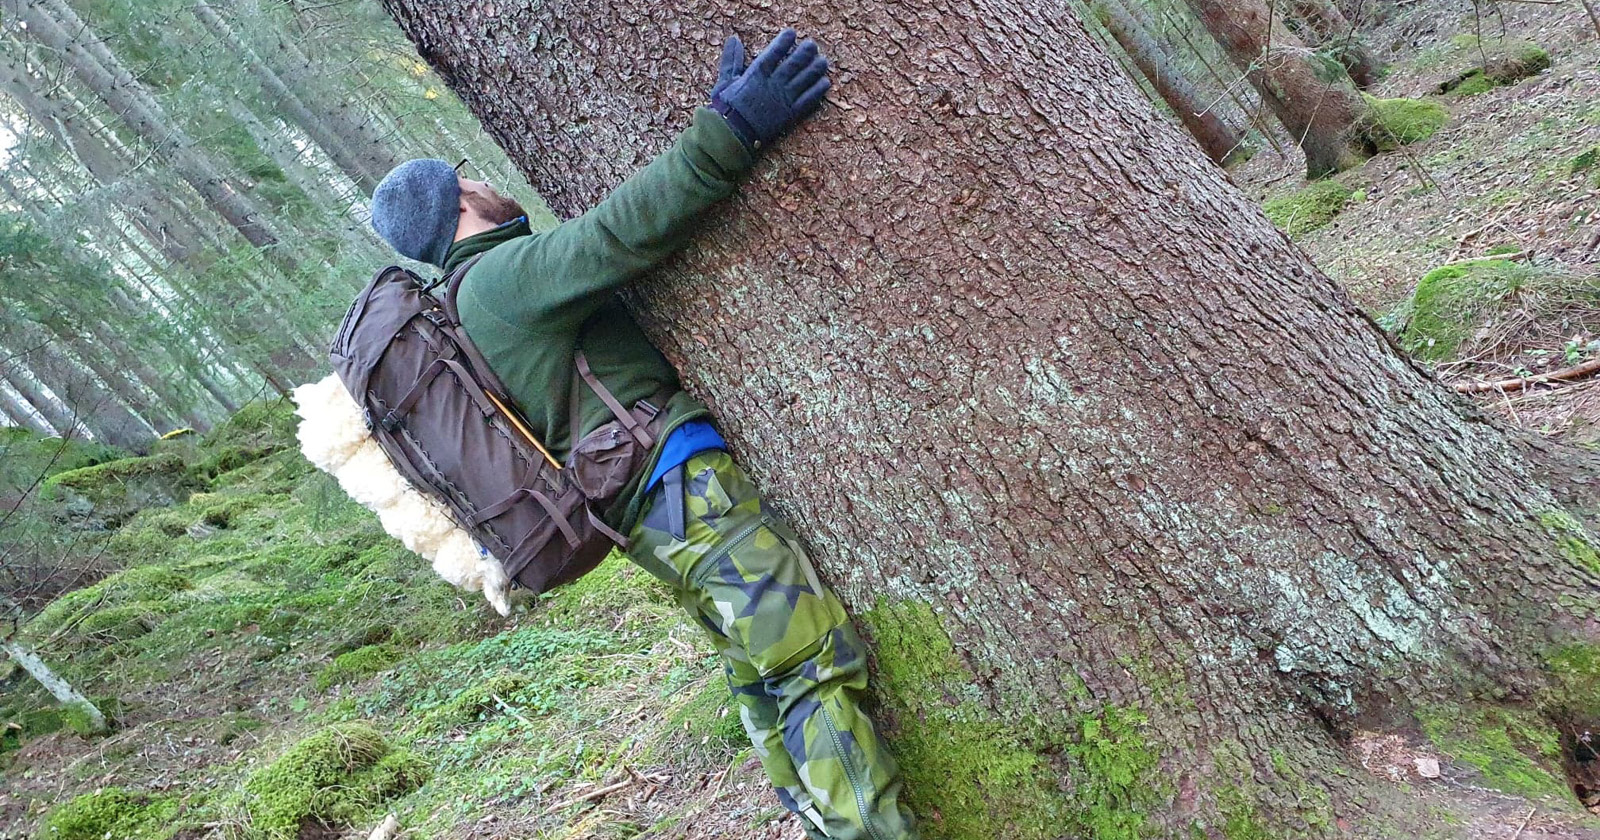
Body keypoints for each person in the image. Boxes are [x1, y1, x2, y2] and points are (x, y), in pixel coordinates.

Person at [367, 28, 917, 840]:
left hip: (642, 515)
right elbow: (624, 231)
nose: (487, 180)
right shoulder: (499, 281)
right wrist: (734, 125)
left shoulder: (464, 309)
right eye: (469, 178)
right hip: (681, 491)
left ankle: (813, 817)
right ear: (457, 210)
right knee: (806, 660)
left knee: (754, 668)